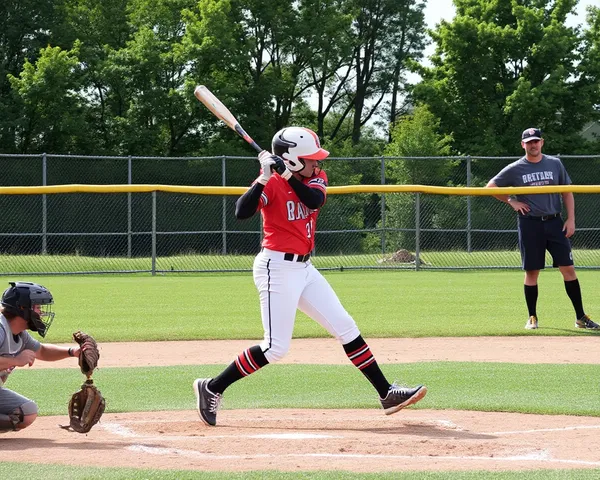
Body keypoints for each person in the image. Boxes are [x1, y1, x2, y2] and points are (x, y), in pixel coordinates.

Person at [193, 126, 427, 426]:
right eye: (310, 158)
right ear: (290, 160)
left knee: (345, 326)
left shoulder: (315, 178)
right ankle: (211, 387)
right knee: (275, 347)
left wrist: (288, 175)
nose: (317, 163)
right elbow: (241, 211)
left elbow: (313, 201)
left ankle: (386, 392)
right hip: (276, 268)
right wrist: (264, 177)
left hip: (304, 268)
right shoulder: (272, 182)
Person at [485, 128, 598, 330]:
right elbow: (490, 188)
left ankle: (581, 317)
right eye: (529, 142)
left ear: (542, 142)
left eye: (536, 141)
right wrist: (512, 201)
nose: (533, 145)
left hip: (555, 222)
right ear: (523, 145)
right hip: (530, 223)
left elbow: (567, 192)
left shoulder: (554, 163)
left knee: (568, 269)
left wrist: (571, 219)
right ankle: (532, 317)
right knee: (532, 272)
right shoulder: (515, 168)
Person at [0, 281, 84, 432]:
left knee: (26, 412)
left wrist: (72, 352)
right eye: (38, 307)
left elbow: (42, 351)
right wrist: (16, 360)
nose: (42, 312)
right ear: (22, 308)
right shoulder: (0, 329)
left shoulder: (20, 334)